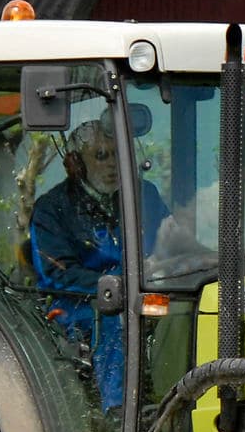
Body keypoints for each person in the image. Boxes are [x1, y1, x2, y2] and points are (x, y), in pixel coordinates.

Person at [29, 117, 166, 415]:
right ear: (75, 164)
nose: (113, 165)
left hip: (145, 294)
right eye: (101, 156)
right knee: (114, 313)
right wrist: (117, 282)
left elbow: (172, 240)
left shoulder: (146, 196)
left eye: (118, 155)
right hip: (79, 306)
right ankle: (119, 414)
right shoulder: (52, 208)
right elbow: (55, 274)